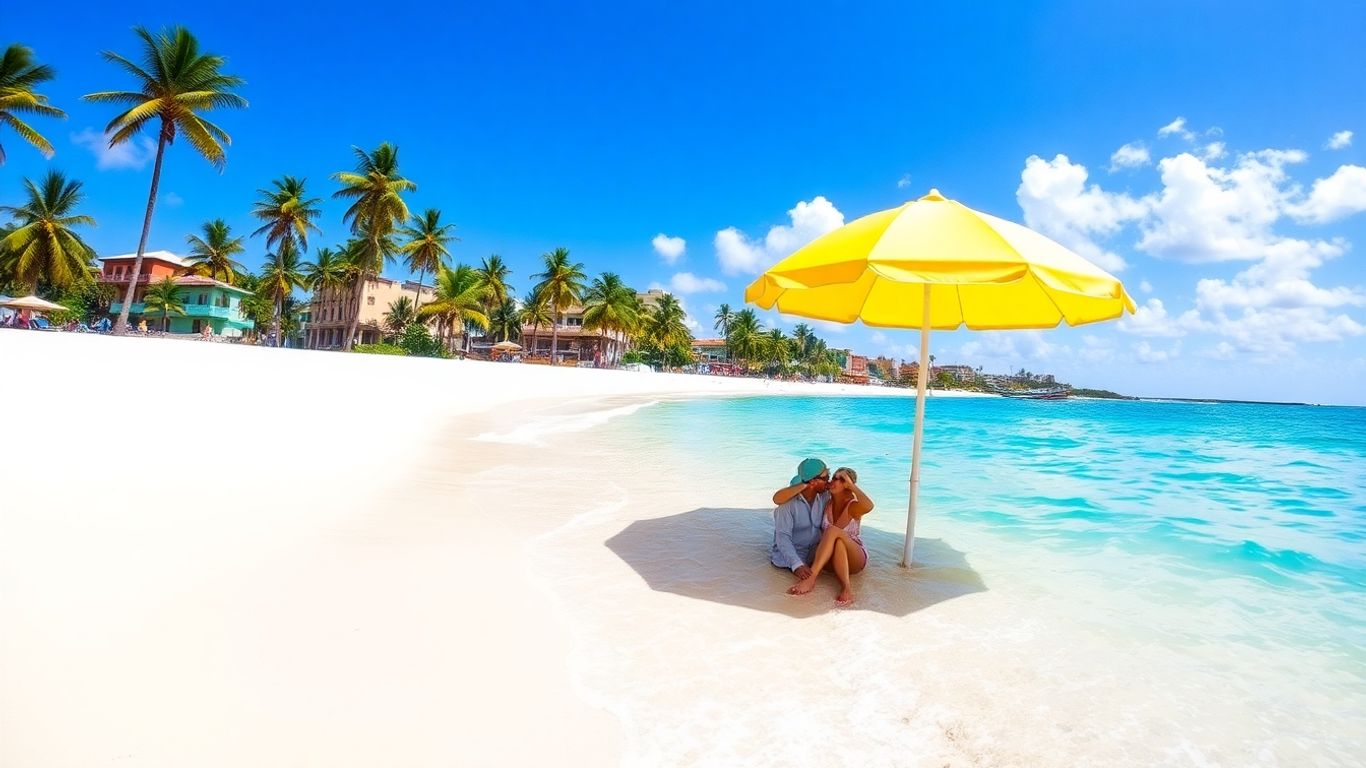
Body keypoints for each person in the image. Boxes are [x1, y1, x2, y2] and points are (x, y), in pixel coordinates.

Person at [788, 467, 876, 606]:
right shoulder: (826, 503)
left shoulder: (853, 506)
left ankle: (838, 586)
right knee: (836, 542)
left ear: (848, 485)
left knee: (833, 532)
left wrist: (852, 486)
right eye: (834, 477)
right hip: (830, 559)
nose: (835, 481)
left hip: (854, 558)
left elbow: (869, 506)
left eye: (842, 480)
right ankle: (837, 583)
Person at [770, 458, 832, 582]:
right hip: (789, 561)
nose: (828, 481)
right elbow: (783, 537)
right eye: (825, 478)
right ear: (813, 481)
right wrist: (797, 565)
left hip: (814, 556)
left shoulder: (824, 496)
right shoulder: (787, 505)